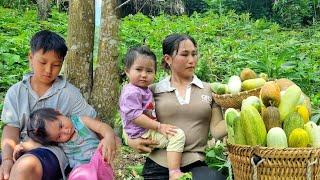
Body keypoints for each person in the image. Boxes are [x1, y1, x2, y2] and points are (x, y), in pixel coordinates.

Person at [0, 30, 117, 180]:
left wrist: (110, 140)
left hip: (53, 151)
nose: (48, 70)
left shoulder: (69, 93)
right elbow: (11, 128)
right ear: (30, 57)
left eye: (56, 65)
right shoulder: (16, 92)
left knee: (24, 167)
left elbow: (94, 126)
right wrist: (7, 159)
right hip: (20, 146)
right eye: (43, 62)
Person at [127, 34, 227, 180]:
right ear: (168, 59)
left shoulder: (209, 90)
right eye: (184, 54)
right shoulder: (152, 90)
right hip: (157, 166)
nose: (191, 60)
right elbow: (130, 116)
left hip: (195, 164)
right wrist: (131, 141)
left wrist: (239, 112)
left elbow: (217, 130)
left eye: (194, 54)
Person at [119, 46, 186, 180]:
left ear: (155, 73)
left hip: (143, 130)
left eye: (149, 71)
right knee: (177, 135)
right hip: (142, 132)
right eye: (138, 70)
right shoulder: (132, 92)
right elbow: (135, 116)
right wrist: (159, 127)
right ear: (127, 71)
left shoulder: (144, 89)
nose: (144, 75)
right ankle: (174, 172)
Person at [13, 108, 114, 180]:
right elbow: (39, 146)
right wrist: (23, 146)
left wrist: (108, 137)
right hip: (81, 171)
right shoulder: (60, 144)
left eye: (61, 126)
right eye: (59, 137)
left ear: (59, 112)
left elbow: (101, 127)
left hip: (100, 160)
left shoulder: (81, 121)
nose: (65, 132)